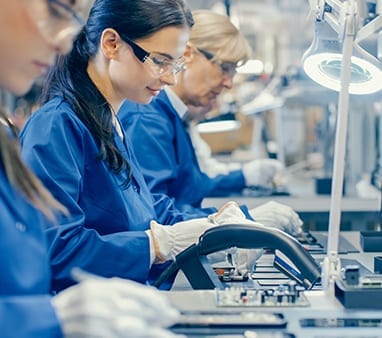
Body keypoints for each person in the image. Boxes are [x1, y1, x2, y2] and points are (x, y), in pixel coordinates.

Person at [0, 1, 185, 337]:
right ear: (111, 43)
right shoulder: (57, 125)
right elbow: (56, 248)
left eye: (176, 64)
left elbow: (139, 205)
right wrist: (154, 245)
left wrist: (213, 226)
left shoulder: (108, 122)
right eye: (160, 61)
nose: (62, 42)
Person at [119, 9, 301, 232]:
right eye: (224, 68)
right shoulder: (147, 118)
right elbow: (156, 219)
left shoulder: (174, 119)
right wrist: (241, 219)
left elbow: (193, 186)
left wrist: (242, 181)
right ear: (187, 55)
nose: (229, 83)